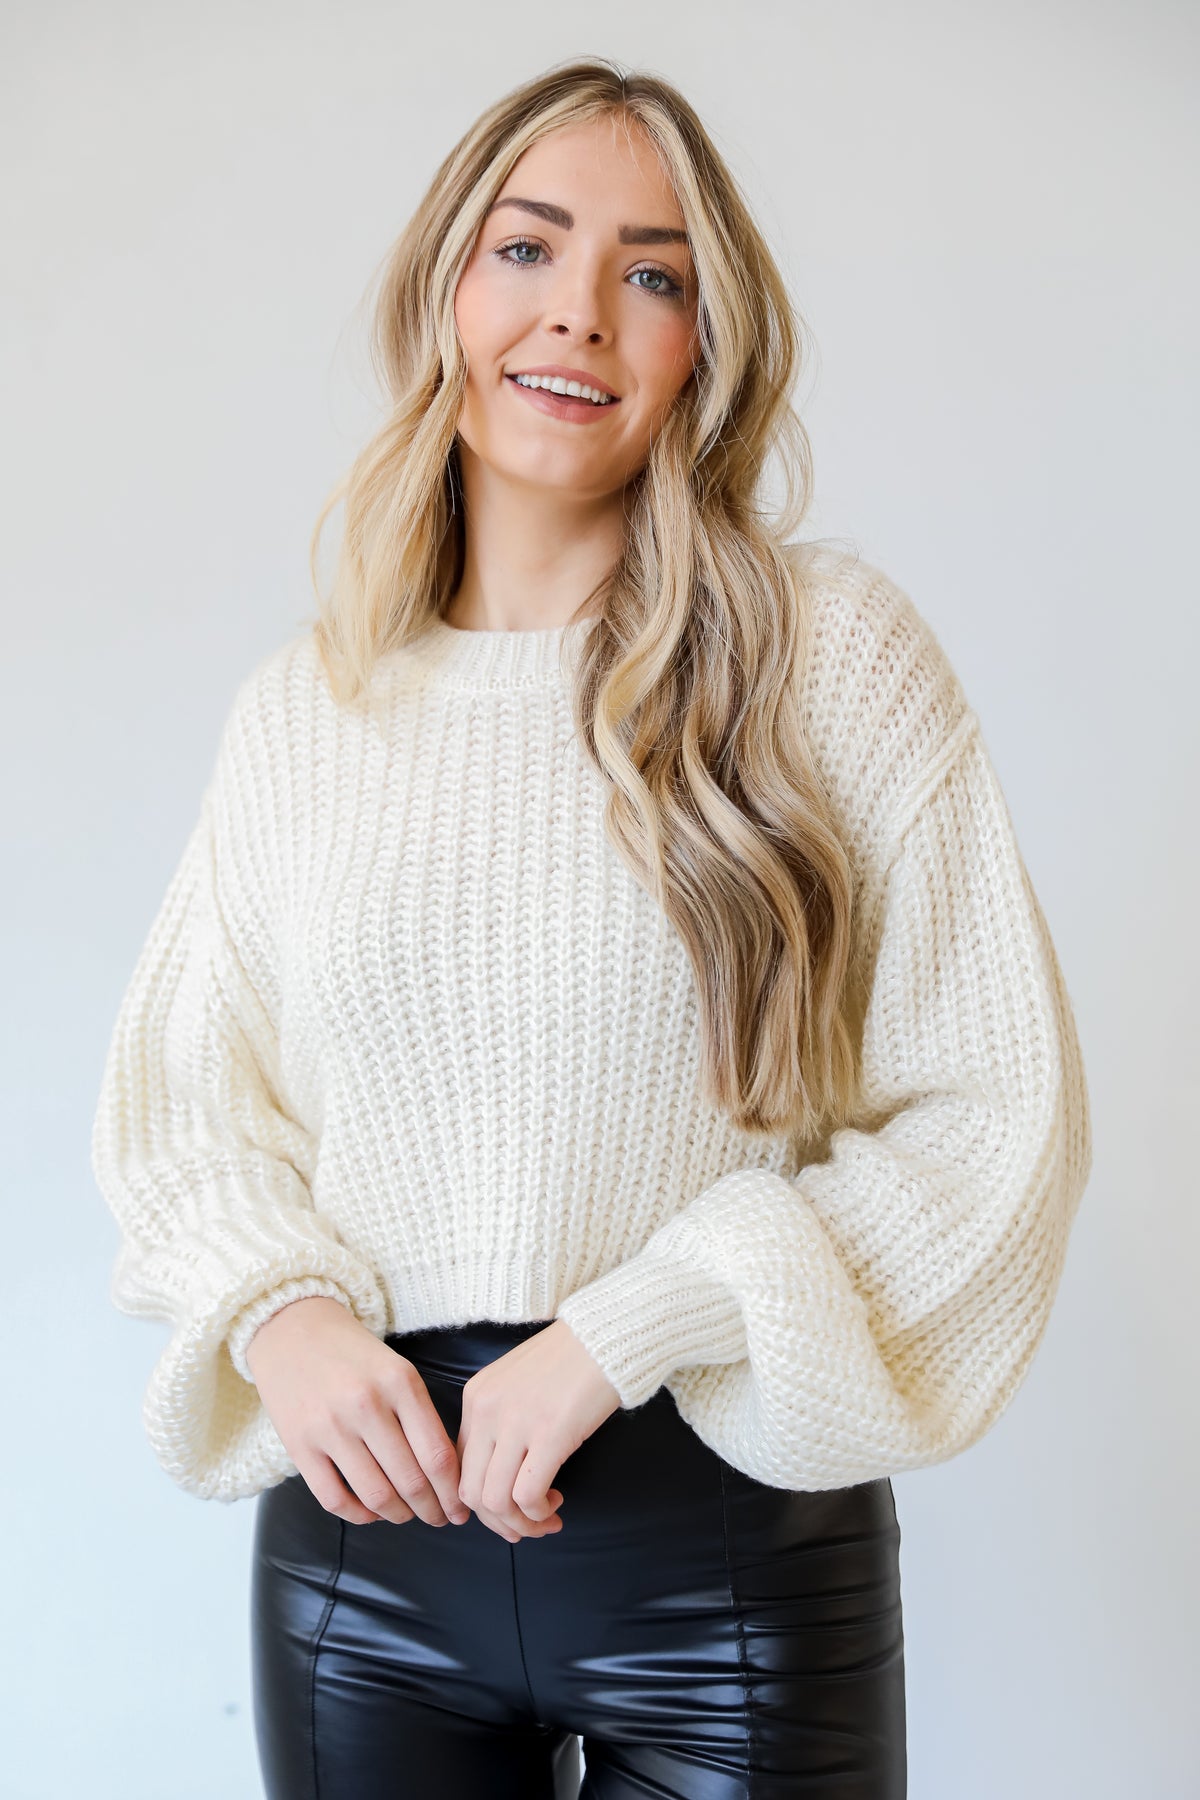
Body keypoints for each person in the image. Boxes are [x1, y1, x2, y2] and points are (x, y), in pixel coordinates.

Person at [90, 55, 1093, 1800]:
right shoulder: (306, 712)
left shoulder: (826, 662)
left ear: (706, 346)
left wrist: (628, 1327)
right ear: (446, 291)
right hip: (363, 1580)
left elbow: (997, 1122)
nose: (580, 315)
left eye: (652, 275)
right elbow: (183, 1114)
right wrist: (281, 1318)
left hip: (727, 1566)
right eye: (528, 248)